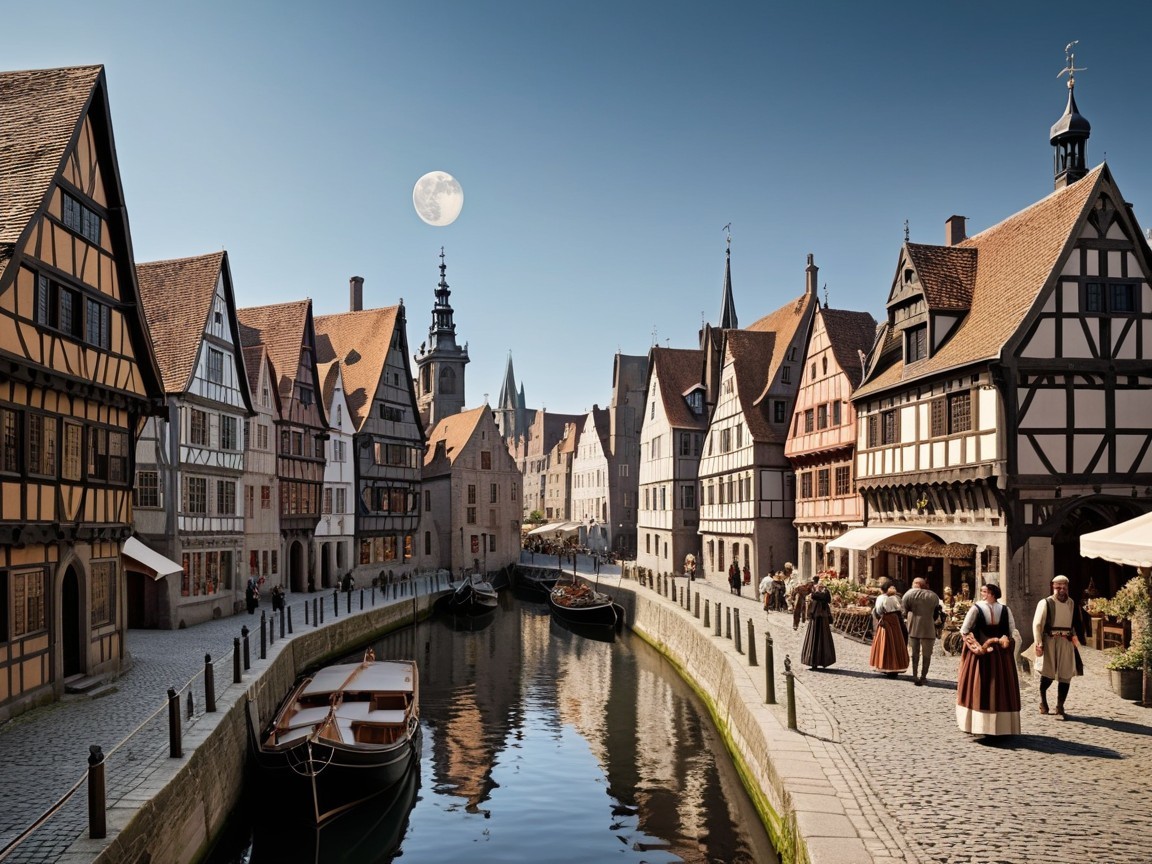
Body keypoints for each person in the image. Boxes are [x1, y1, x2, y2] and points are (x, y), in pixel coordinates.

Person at [956, 582, 1021, 736]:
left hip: (1000, 655)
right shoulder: (976, 608)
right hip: (981, 654)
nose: (982, 593)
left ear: (992, 593)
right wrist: (977, 647)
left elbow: (1013, 631)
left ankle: (1001, 727)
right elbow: (965, 630)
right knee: (980, 686)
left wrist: (1008, 641)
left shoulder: (1005, 609)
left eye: (985, 591)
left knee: (1000, 689)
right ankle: (979, 726)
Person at [1032, 574, 1087, 720]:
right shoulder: (1045, 602)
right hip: (1049, 641)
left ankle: (1060, 705)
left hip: (1066, 642)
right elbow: (1037, 624)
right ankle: (1043, 701)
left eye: (1064, 587)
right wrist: (1039, 643)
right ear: (1053, 587)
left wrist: (1075, 640)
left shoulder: (1071, 603)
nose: (1062, 590)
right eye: (1058, 587)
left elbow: (1073, 623)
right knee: (1047, 673)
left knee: (1066, 674)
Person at [903, 577, 942, 685]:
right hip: (928, 628)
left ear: (916, 584)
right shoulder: (933, 596)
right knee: (927, 654)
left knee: (914, 653)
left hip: (913, 627)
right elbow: (936, 612)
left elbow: (904, 609)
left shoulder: (909, 594)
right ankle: (923, 676)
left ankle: (914, 675)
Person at [869, 586, 909, 676]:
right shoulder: (895, 599)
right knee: (896, 642)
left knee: (885, 642)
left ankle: (884, 665)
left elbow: (878, 610)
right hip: (895, 620)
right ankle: (896, 666)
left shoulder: (881, 598)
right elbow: (900, 609)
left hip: (886, 619)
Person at [801, 575, 836, 670]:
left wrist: (819, 591)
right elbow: (812, 595)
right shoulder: (813, 590)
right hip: (815, 617)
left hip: (822, 617)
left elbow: (826, 598)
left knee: (823, 639)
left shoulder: (824, 592)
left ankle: (823, 661)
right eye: (818, 584)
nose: (819, 585)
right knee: (814, 638)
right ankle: (813, 661)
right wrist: (816, 591)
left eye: (821, 584)